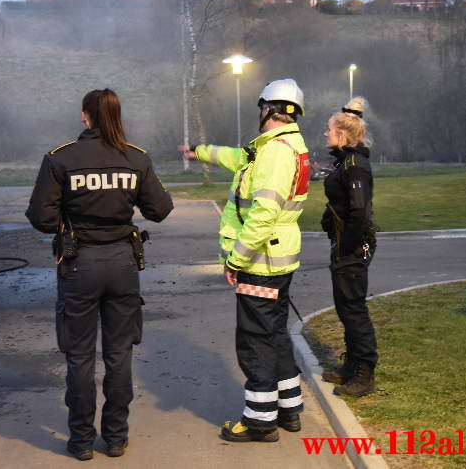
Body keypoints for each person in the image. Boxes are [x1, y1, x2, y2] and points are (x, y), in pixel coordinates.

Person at [26, 89, 173, 460]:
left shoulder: (61, 158)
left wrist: (68, 220)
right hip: (123, 263)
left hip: (80, 264)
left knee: (79, 356)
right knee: (119, 354)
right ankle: (116, 437)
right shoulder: (136, 158)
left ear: (84, 116)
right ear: (117, 116)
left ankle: (80, 441)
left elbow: (42, 218)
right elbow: (159, 209)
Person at [180, 79, 310, 443]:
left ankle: (260, 421)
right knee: (273, 333)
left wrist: (236, 260)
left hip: (260, 262)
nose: (258, 112)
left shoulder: (275, 153)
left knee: (255, 340)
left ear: (270, 108)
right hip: (277, 259)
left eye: (261, 107)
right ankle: (288, 408)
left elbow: (263, 214)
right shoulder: (281, 146)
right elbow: (237, 159)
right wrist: (200, 151)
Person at [318, 98, 378, 397]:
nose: (325, 134)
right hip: (343, 245)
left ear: (342, 134)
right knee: (346, 309)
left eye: (329, 130)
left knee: (354, 311)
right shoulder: (347, 162)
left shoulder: (355, 166)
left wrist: (347, 250)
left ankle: (364, 374)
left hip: (351, 249)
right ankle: (351, 368)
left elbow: (359, 213)